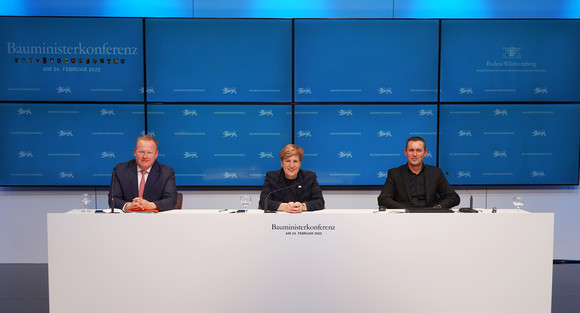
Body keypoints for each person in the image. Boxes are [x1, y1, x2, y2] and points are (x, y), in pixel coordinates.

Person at [377, 136, 460, 209]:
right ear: (406, 152)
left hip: (430, 218)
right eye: (411, 150)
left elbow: (453, 197)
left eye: (419, 150)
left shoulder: (436, 173)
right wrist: (404, 210)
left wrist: (438, 208)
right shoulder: (395, 174)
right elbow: (383, 199)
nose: (415, 154)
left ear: (425, 153)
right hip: (404, 218)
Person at [108, 135, 177, 212]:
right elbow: (113, 199)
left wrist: (150, 205)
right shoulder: (120, 170)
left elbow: (171, 200)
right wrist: (129, 206)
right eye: (141, 152)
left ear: (156, 154)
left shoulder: (166, 172)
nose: (145, 156)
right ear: (135, 152)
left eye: (149, 152)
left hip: (156, 220)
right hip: (127, 219)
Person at [259, 144, 324, 213]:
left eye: (295, 161)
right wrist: (285, 207)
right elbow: (263, 202)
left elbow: (319, 202)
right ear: (281, 163)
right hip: (277, 221)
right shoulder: (272, 177)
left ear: (300, 163)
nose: (291, 165)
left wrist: (302, 206)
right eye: (288, 161)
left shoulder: (309, 177)